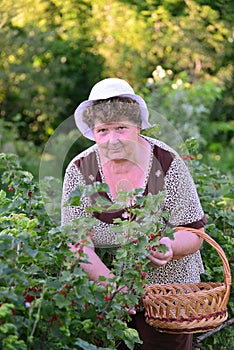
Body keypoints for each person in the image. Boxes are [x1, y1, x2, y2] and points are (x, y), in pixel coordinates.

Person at [61, 78, 207, 350]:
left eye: (121, 128)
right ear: (92, 132)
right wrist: (112, 287)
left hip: (168, 295)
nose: (112, 139)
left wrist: (169, 246)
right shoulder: (80, 170)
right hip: (108, 285)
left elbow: (194, 233)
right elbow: (76, 242)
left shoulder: (167, 163)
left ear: (138, 126)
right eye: (103, 130)